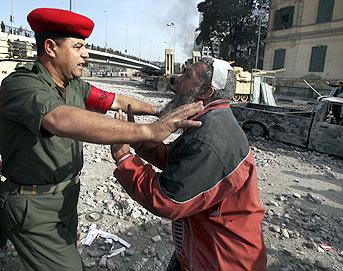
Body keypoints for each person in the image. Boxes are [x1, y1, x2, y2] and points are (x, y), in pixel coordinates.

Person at [0, 8, 203, 271]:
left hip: (65, 198)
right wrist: (150, 131)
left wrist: (160, 111)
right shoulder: (21, 85)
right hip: (32, 204)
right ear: (50, 47)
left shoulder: (74, 85)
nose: (86, 54)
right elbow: (59, 119)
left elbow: (115, 100)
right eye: (79, 47)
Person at [111, 57, 267, 271]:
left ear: (206, 92)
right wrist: (138, 139)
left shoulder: (209, 138)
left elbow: (167, 198)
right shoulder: (212, 119)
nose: (177, 80)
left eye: (187, 76)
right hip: (198, 251)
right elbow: (179, 161)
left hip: (222, 261)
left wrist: (124, 158)